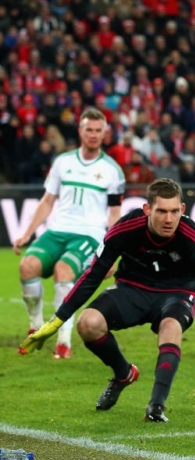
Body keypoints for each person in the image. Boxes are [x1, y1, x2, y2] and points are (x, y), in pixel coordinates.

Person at [20, 178, 195, 423]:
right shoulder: (126, 228)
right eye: (161, 211)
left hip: (178, 292)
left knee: (171, 328)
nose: (169, 219)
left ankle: (156, 406)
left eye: (175, 211)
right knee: (88, 324)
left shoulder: (194, 238)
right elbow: (93, 274)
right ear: (147, 209)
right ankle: (124, 374)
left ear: (182, 209)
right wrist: (58, 319)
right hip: (133, 288)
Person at [14, 108, 124, 360]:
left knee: (63, 271)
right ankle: (36, 326)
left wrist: (112, 253)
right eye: (89, 129)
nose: (93, 134)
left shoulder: (112, 171)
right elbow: (47, 200)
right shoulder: (63, 162)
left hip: (88, 235)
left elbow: (114, 213)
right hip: (57, 230)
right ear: (80, 131)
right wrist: (27, 233)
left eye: (98, 130)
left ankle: (63, 341)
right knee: (27, 266)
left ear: (104, 133)